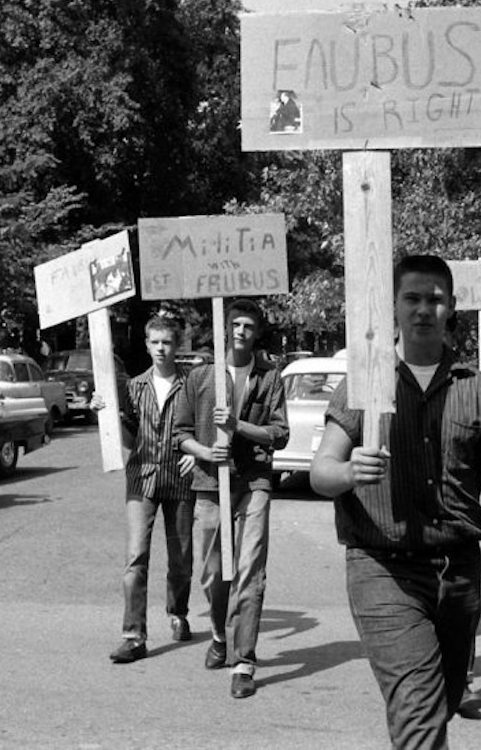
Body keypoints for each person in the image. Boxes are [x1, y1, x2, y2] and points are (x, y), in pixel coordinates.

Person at [312, 255, 481, 748]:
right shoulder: (363, 383)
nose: (423, 309)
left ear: (451, 308)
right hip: (383, 567)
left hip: (458, 572)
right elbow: (321, 472)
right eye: (412, 298)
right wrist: (347, 471)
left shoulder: (476, 388)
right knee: (418, 711)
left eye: (435, 299)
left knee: (440, 701)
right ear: (394, 308)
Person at [172, 298, 288, 699]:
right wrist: (205, 452)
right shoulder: (201, 377)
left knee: (250, 571)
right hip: (209, 484)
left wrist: (238, 427)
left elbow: (279, 434)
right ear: (226, 329)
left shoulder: (270, 378)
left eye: (248, 326)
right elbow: (180, 434)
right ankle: (220, 635)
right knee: (212, 574)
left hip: (254, 483)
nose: (241, 332)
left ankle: (244, 659)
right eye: (235, 324)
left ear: (257, 333)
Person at [102, 315, 196, 664]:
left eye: (167, 342)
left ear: (177, 344)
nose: (161, 349)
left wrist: (198, 458)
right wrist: (107, 416)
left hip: (180, 480)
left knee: (181, 558)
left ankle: (178, 611)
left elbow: (204, 427)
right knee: (136, 556)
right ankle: (133, 635)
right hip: (141, 479)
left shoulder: (192, 384)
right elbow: (128, 439)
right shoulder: (134, 388)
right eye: (155, 342)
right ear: (146, 344)